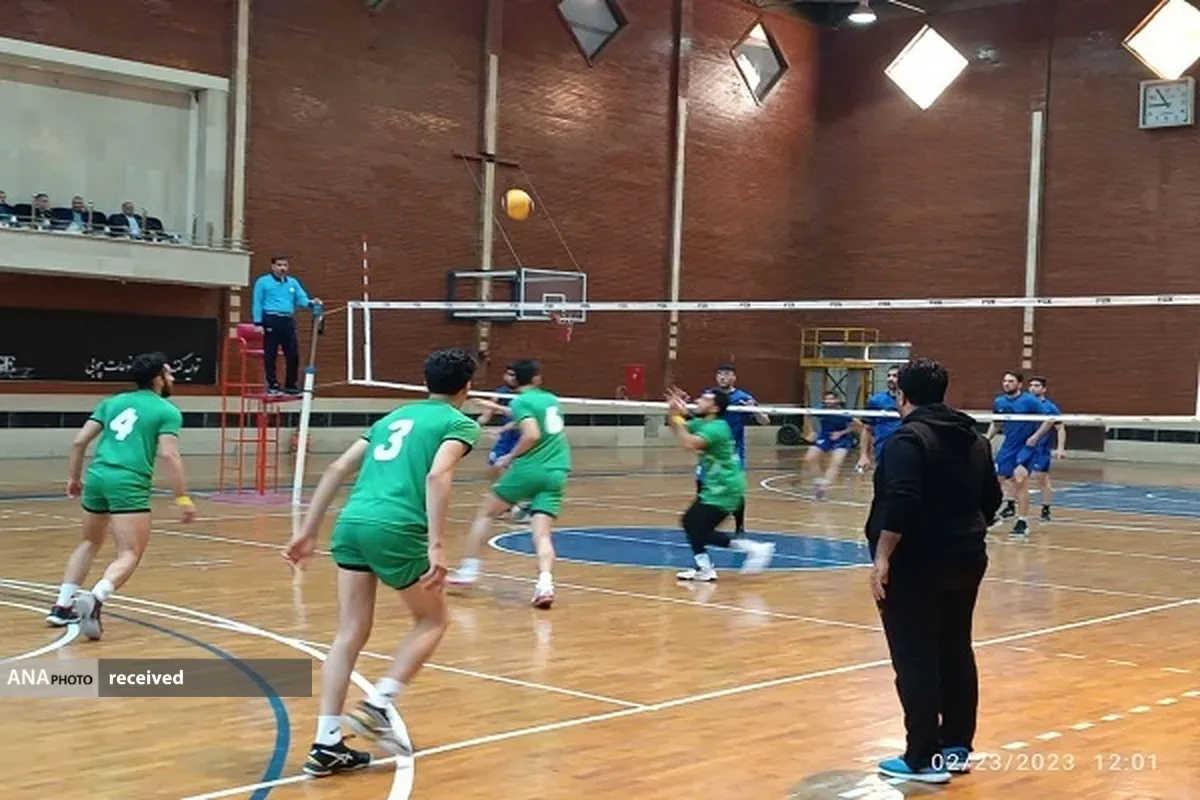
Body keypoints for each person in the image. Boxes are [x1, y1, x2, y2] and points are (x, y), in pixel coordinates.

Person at [284, 347, 481, 777]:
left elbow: (336, 469)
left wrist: (307, 530)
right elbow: (437, 475)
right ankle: (378, 704)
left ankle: (326, 743)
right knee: (433, 620)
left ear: (426, 381)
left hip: (351, 523)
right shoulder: (459, 423)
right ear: (467, 387)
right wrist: (436, 545)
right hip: (396, 528)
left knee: (349, 632)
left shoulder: (391, 418)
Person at [865, 357, 1001, 785]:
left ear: (901, 396)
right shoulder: (974, 439)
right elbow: (992, 501)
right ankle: (956, 746)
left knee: (915, 657)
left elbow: (902, 499)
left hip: (916, 564)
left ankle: (923, 757)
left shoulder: (907, 440)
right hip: (967, 559)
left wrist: (883, 557)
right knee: (955, 648)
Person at [46, 352, 196, 638]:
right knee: (129, 552)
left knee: (89, 541)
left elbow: (79, 442)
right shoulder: (167, 411)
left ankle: (61, 607)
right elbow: (169, 454)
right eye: (169, 373)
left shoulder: (111, 403)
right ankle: (96, 597)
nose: (173, 377)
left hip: (97, 477)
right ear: (157, 379)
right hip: (129, 482)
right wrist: (182, 498)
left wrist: (74, 478)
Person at [449, 359, 571, 608]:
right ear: (536, 378)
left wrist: (509, 456)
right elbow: (532, 420)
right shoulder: (550, 400)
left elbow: (532, 433)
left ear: (516, 379)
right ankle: (545, 585)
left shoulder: (520, 401)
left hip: (531, 469)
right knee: (542, 534)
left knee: (486, 513)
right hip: (558, 469)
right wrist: (505, 424)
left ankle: (468, 572)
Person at [666, 387, 775, 582]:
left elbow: (689, 443)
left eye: (704, 399)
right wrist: (674, 413)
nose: (698, 400)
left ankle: (754, 549)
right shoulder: (703, 423)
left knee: (699, 528)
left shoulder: (717, 428)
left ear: (715, 408)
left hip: (726, 486)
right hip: (716, 485)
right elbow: (677, 428)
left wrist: (678, 417)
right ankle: (705, 568)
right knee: (690, 523)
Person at [698, 364, 769, 536]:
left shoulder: (743, 397)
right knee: (702, 484)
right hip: (710, 451)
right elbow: (697, 414)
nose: (722, 377)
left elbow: (765, 421)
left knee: (735, 490)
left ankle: (740, 526)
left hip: (733, 453)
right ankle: (704, 522)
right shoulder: (709, 395)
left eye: (726, 374)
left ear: (734, 377)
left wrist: (755, 409)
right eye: (719, 374)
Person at [251, 255, 322, 396]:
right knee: (270, 354)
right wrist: (258, 322)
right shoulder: (263, 282)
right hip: (271, 318)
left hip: (287, 320)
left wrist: (311, 303)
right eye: (279, 265)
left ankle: (290, 385)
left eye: (285, 265)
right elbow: (257, 302)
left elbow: (301, 298)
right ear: (273, 266)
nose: (282, 268)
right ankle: (273, 385)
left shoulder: (292, 283)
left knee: (293, 354)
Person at [985, 371, 1043, 538]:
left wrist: (1035, 436)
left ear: (1019, 384)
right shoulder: (999, 402)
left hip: (1026, 447)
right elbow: (997, 423)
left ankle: (1022, 521)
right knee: (995, 483)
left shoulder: (1030, 401)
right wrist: (986, 439)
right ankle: (991, 516)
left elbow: (1049, 420)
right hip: (1008, 447)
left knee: (1020, 479)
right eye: (1005, 381)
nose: (1006, 383)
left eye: (1011, 381)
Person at [1025, 376, 1065, 522]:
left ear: (1044, 389)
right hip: (1024, 447)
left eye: (1036, 385)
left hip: (1041, 449)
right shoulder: (1025, 405)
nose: (1032, 388)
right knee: (1015, 477)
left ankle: (1046, 508)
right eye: (1031, 385)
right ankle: (1011, 505)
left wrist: (1060, 448)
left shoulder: (1050, 408)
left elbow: (1060, 428)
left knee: (1042, 479)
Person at [804, 391, 856, 500]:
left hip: (842, 439)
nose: (828, 401)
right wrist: (811, 431)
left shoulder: (844, 412)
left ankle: (823, 488)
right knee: (809, 457)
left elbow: (855, 426)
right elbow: (808, 414)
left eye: (831, 399)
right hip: (825, 436)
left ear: (837, 400)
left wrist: (840, 433)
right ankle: (818, 482)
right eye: (826, 399)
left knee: (835, 462)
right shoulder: (820, 409)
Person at [857, 366, 902, 472]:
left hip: (906, 449)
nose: (890, 379)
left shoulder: (911, 400)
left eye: (895, 376)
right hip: (883, 450)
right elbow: (866, 429)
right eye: (889, 376)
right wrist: (864, 455)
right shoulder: (876, 400)